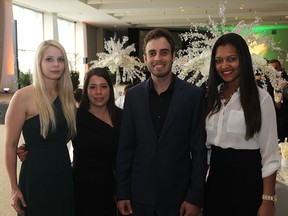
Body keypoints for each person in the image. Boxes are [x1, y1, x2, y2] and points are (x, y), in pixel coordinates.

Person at [115, 28, 207, 216]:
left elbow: (199, 150)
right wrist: (122, 192)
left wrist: (194, 196)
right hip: (139, 196)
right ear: (145, 58)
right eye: (152, 53)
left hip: (179, 197)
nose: (158, 58)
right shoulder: (133, 96)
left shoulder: (193, 95)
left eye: (164, 53)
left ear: (173, 55)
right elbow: (126, 147)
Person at [203, 33, 280, 216]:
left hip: (248, 185)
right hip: (215, 184)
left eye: (231, 59)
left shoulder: (261, 99)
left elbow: (270, 156)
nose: (224, 66)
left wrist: (268, 201)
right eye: (219, 60)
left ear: (243, 60)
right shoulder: (211, 98)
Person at [5, 40, 77, 216]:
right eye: (49, 59)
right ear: (39, 63)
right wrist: (13, 188)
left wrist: (40, 143)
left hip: (62, 172)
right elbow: (9, 145)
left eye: (60, 60)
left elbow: (64, 134)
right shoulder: (22, 97)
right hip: (36, 175)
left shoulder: (67, 97)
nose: (56, 64)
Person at [72, 67, 122, 216]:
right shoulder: (75, 118)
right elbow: (55, 142)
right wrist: (29, 148)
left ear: (110, 89)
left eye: (104, 86)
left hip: (111, 189)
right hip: (82, 188)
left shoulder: (122, 117)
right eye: (93, 87)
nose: (98, 92)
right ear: (86, 90)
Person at [269, 59, 288, 142]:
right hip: (271, 119)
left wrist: (283, 87)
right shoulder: (266, 81)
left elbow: (279, 105)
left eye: (276, 68)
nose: (274, 71)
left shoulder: (285, 80)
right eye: (271, 69)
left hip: (285, 118)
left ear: (280, 68)